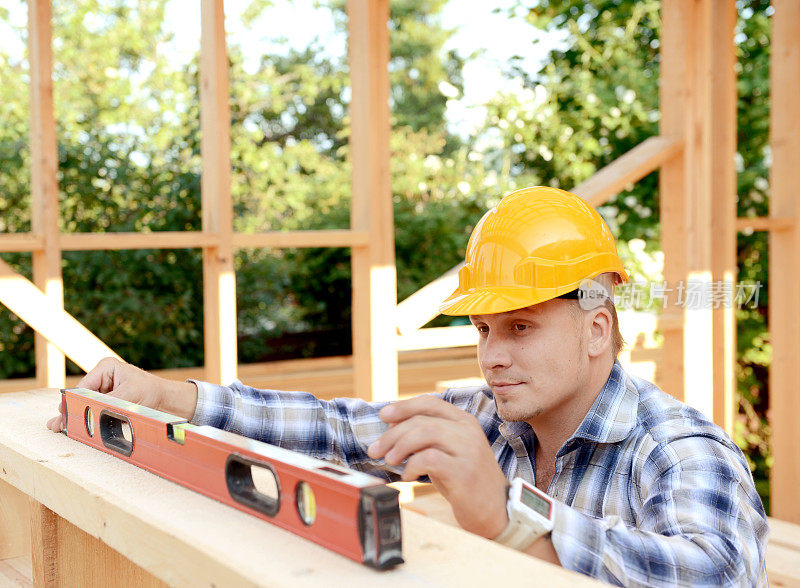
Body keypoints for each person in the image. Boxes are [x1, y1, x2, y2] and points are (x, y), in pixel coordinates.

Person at [47, 186, 768, 585]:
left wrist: (509, 518)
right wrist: (168, 396)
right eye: (484, 331)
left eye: (519, 328)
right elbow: (335, 427)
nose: (493, 357)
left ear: (597, 330)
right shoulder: (485, 420)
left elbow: (716, 577)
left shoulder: (679, 450)